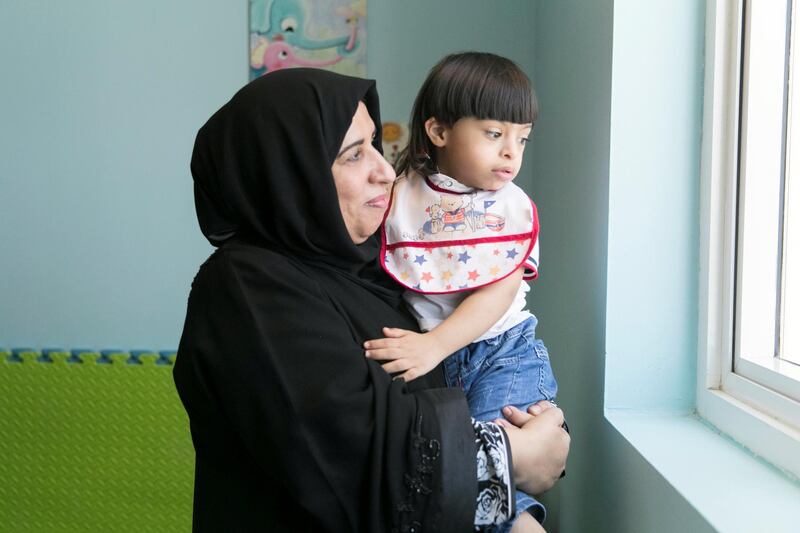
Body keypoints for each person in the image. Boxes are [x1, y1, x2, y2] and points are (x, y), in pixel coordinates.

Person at [173, 67, 569, 532]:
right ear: (290, 174)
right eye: (354, 155)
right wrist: (514, 457)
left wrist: (530, 422)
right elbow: (346, 449)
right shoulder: (245, 287)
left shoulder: (372, 272)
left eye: (375, 147)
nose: (385, 171)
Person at [364, 52, 559, 532]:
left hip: (503, 353)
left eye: (522, 138)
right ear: (439, 131)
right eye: (495, 134)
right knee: (455, 479)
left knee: (498, 482)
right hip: (439, 365)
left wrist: (434, 346)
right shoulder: (403, 196)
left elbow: (497, 293)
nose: (512, 153)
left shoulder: (509, 210)